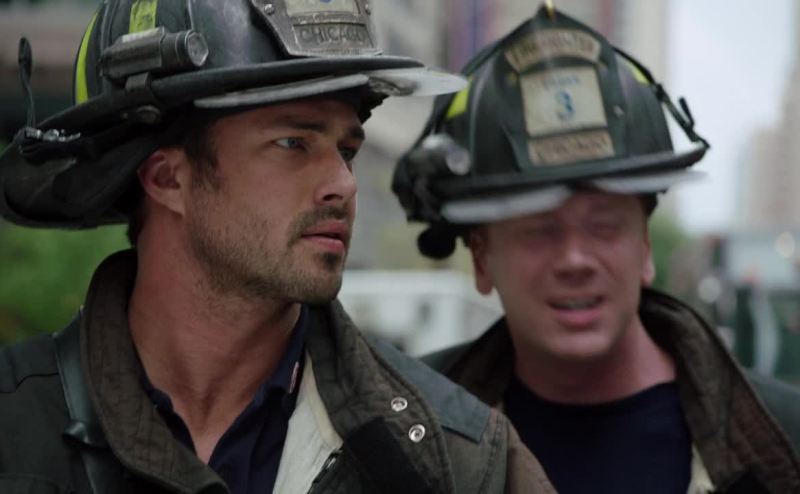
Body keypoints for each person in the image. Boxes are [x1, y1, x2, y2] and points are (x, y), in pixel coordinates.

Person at [0, 1, 555, 493]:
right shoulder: (16, 429)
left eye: (346, 150)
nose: (343, 184)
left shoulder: (452, 461)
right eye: (293, 143)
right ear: (167, 179)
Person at [393, 6, 800, 494]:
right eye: (539, 232)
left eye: (604, 228)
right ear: (481, 259)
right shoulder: (404, 432)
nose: (575, 260)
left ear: (645, 248)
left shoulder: (784, 439)